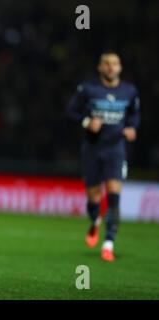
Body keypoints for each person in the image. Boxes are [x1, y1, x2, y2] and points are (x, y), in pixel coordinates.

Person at [66, 51, 140, 262]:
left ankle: (108, 244)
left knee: (114, 196)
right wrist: (87, 122)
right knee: (94, 197)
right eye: (106, 63)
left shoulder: (129, 91)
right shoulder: (88, 90)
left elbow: (135, 114)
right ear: (100, 68)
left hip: (116, 149)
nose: (110, 67)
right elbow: (71, 112)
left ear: (120, 68)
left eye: (114, 63)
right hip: (92, 149)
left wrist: (132, 128)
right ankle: (94, 220)